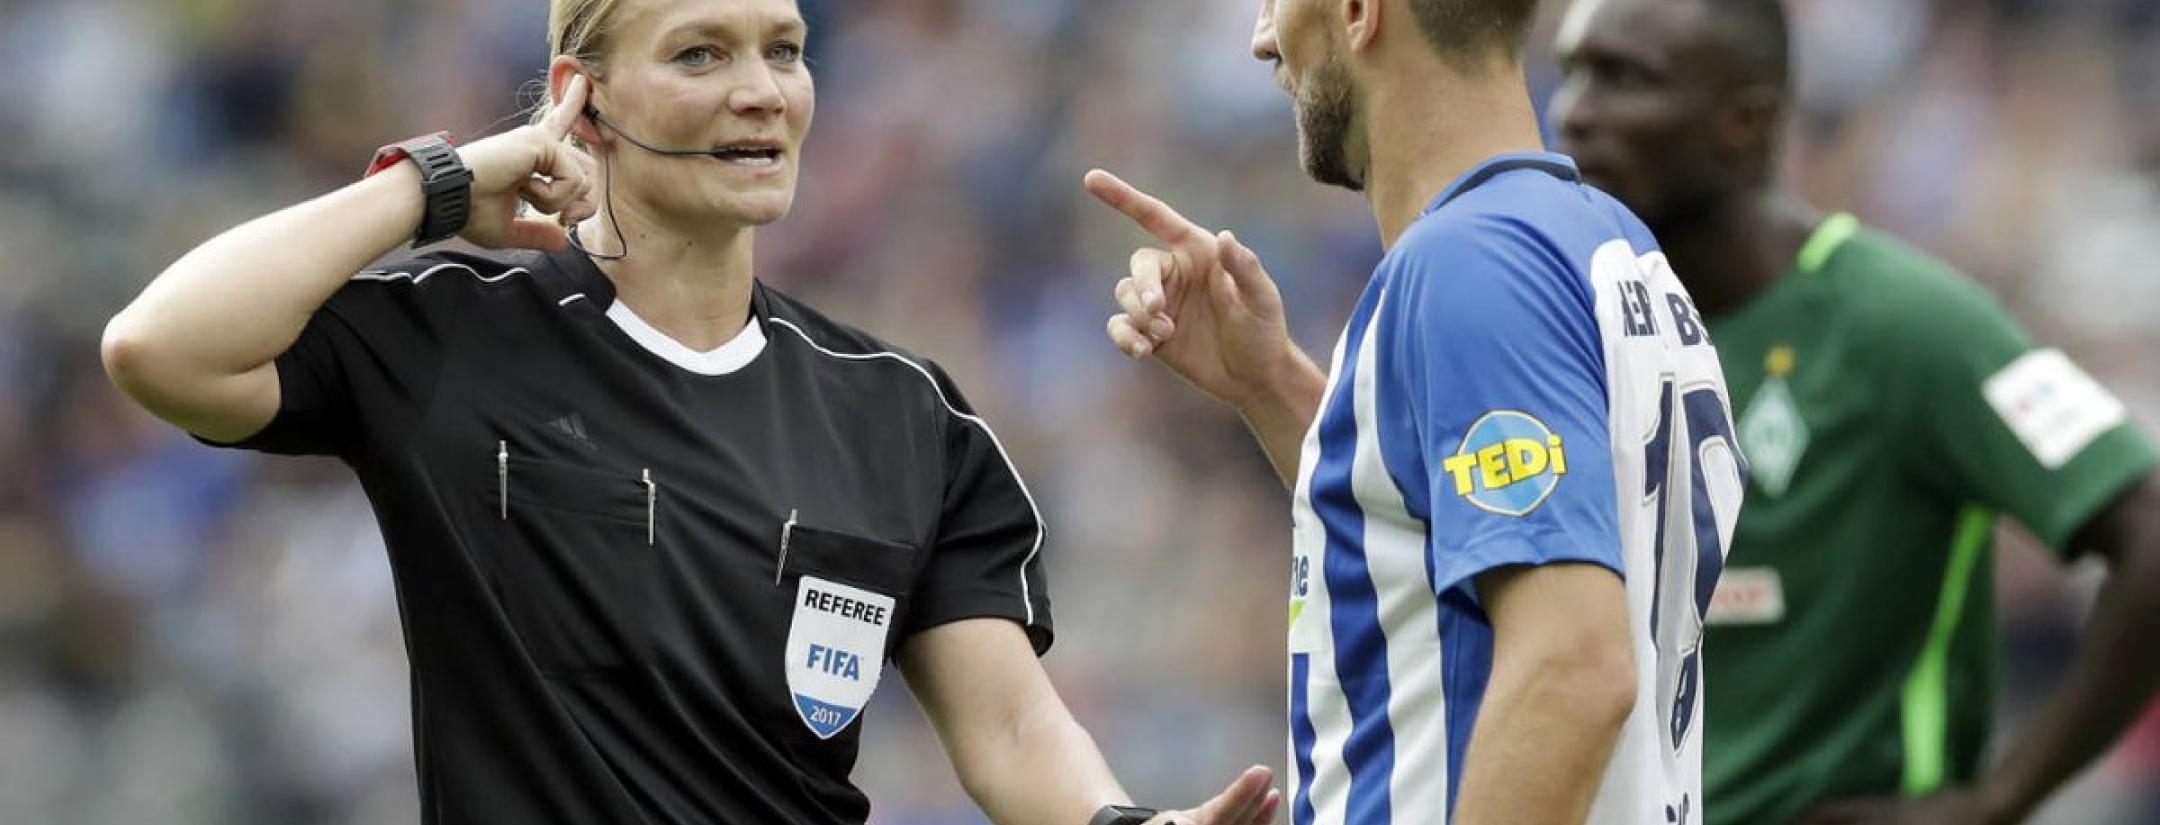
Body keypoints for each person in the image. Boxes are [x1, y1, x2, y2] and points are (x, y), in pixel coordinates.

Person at [97, 1, 1285, 824]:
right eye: (703, 55)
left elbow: (1014, 733)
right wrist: (442, 179)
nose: (762, 92)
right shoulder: (453, 334)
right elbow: (162, 346)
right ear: (582, 98)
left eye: (786, 49)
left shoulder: (904, 414)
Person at [1084, 0, 1743, 822]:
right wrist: (1271, 383)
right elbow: (1451, 531)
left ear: (1360, 12)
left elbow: (1573, 666)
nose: (1263, 37)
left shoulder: (1470, 264)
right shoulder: (1609, 243)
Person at [1547, 1, 2160, 824]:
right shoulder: (1589, 332)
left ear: (1746, 121)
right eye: (1575, 70)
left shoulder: (1904, 323)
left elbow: (2149, 534)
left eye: (1625, 79)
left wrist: (1997, 799)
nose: (1575, 111)